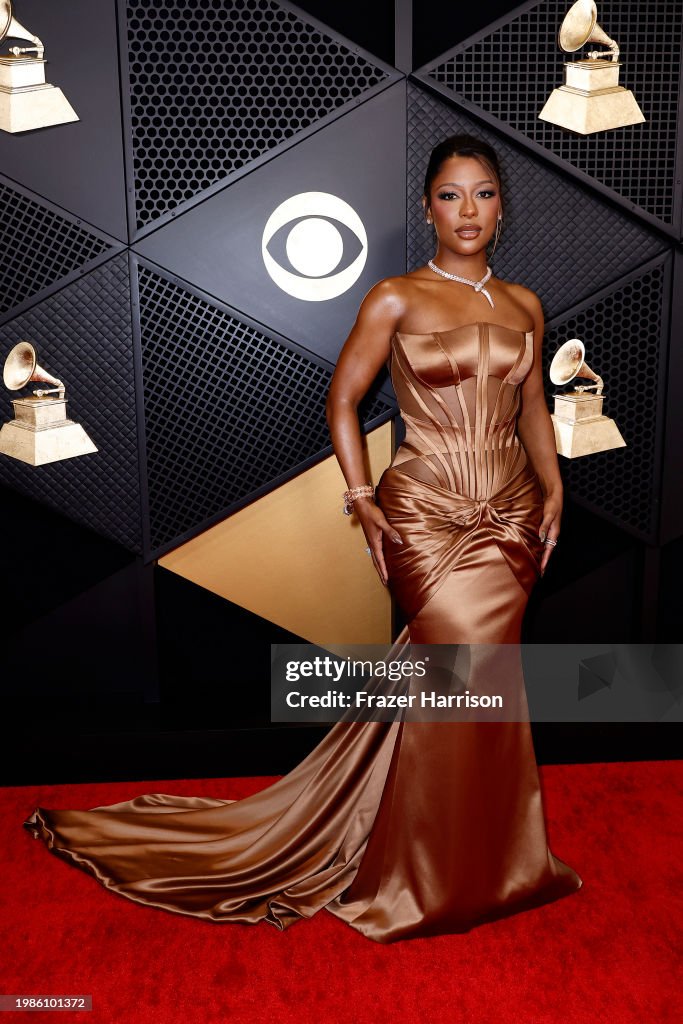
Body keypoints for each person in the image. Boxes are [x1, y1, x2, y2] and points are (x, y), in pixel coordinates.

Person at [22, 135, 582, 944]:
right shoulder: (395, 297)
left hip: (512, 513)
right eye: (452, 195)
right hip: (426, 514)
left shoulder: (525, 304)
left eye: (484, 194)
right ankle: (427, 876)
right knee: (456, 670)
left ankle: (491, 861)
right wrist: (364, 499)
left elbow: (531, 407)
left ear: (502, 205)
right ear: (426, 206)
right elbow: (343, 401)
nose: (469, 211)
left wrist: (554, 483)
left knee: (472, 688)